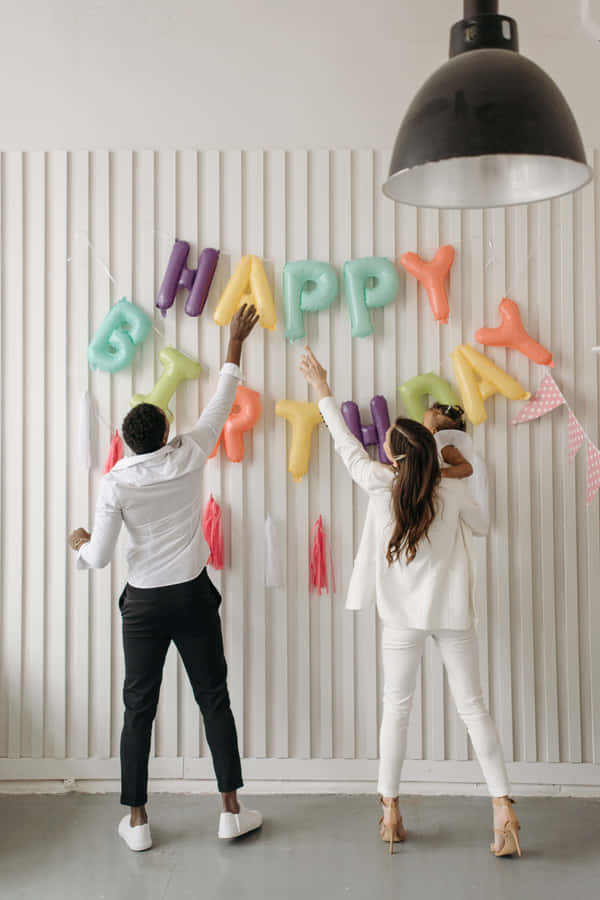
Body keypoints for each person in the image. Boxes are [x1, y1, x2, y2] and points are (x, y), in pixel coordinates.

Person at [299, 347, 522, 858]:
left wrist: (322, 387)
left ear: (396, 458)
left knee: (395, 711)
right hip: (453, 618)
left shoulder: (381, 486)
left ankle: (391, 814)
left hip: (400, 620)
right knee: (474, 709)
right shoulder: (452, 491)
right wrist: (460, 468)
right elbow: (485, 527)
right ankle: (504, 809)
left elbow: (345, 444)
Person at [68, 304, 262, 852]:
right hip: (193, 597)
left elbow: (100, 558)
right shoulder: (191, 454)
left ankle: (137, 822)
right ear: (166, 432)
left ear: (128, 443)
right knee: (213, 698)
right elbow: (223, 400)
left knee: (138, 708)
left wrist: (80, 545)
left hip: (145, 607)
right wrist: (234, 342)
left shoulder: (115, 484)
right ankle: (230, 812)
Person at [423, 402, 473, 480]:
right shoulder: (432, 446)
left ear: (433, 431)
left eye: (424, 425)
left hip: (450, 489)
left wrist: (439, 473)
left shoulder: (444, 446)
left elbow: (467, 468)